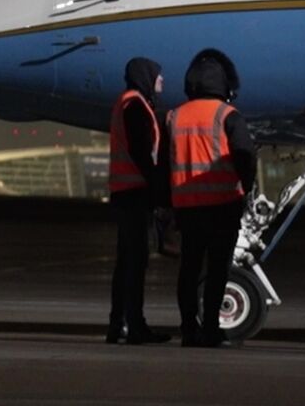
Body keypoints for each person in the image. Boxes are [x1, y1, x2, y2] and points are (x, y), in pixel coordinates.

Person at [167, 48, 257, 347]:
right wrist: (246, 189)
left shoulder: (174, 116)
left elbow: (162, 162)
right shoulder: (228, 115)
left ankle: (188, 329)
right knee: (218, 271)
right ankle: (210, 329)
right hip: (222, 207)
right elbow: (246, 156)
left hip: (187, 208)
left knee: (188, 270)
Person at [105, 57, 171, 345]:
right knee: (134, 263)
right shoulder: (135, 106)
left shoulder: (128, 102)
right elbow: (142, 153)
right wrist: (159, 191)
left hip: (125, 191)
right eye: (158, 76)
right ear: (146, 77)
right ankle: (135, 326)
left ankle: (118, 325)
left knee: (126, 264)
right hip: (133, 193)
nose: (162, 81)